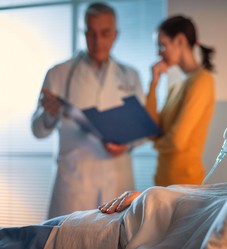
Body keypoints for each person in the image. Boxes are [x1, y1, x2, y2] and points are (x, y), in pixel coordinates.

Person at [1, 74, 227, 249]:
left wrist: (151, 195)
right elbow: (193, 204)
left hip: (78, 240)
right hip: (80, 207)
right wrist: (152, 197)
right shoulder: (62, 72)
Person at [31, 2, 144, 219]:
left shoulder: (131, 75)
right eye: (91, 33)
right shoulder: (59, 73)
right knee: (68, 248)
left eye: (104, 33)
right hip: (75, 183)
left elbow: (141, 129)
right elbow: (36, 130)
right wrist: (49, 115)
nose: (98, 41)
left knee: (116, 248)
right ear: (83, 33)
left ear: (116, 35)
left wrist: (126, 144)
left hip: (118, 182)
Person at [145, 15, 216, 186]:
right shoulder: (177, 84)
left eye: (162, 45)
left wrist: (156, 145)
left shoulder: (202, 81)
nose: (158, 52)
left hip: (185, 184)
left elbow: (177, 142)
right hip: (164, 180)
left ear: (180, 41)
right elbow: (152, 129)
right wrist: (153, 83)